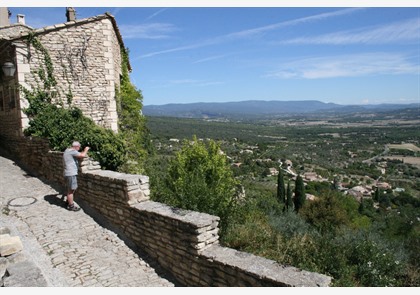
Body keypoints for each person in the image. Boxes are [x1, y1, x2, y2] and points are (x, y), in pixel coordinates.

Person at [63, 141, 90, 211]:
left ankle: (69, 201)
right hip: (71, 173)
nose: (79, 149)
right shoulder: (72, 151)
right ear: (76, 146)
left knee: (71, 189)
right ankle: (71, 206)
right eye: (79, 147)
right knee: (71, 190)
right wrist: (86, 150)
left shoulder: (67, 150)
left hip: (67, 173)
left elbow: (78, 154)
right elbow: (82, 155)